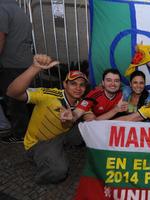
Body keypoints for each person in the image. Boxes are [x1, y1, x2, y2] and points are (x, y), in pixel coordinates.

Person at [6, 54, 88, 184]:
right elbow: (12, 92)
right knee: (59, 171)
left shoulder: (82, 103)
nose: (78, 88)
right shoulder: (49, 95)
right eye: (73, 83)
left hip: (60, 137)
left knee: (88, 125)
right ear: (64, 85)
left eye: (82, 85)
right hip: (39, 143)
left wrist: (74, 117)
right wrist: (34, 68)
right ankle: (41, 168)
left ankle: (57, 151)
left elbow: (91, 119)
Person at [0, 0, 34, 143]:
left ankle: (20, 134)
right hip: (24, 61)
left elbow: (1, 36)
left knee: (14, 98)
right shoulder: (17, 9)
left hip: (11, 62)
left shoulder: (2, 9)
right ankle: (28, 130)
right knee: (25, 97)